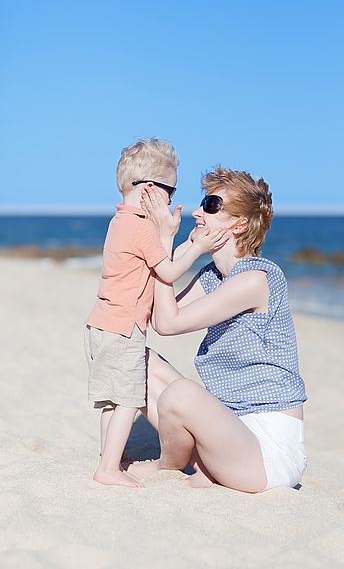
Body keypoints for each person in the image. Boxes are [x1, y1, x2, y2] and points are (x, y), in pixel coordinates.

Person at [130, 167, 308, 493]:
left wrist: (164, 239)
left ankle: (167, 466)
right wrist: (175, 252)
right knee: (134, 359)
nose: (197, 212)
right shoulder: (212, 275)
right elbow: (159, 318)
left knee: (182, 394)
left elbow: (169, 324)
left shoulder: (256, 280)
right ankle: (205, 466)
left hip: (267, 453)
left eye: (212, 205)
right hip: (229, 428)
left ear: (239, 224)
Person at [84, 139, 228, 488]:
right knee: (128, 401)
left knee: (111, 399)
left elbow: (157, 264)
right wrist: (197, 246)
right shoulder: (139, 225)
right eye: (171, 190)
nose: (173, 199)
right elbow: (167, 271)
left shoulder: (121, 221)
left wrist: (167, 235)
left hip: (102, 323)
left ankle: (111, 457)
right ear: (150, 190)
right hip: (124, 327)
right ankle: (107, 469)